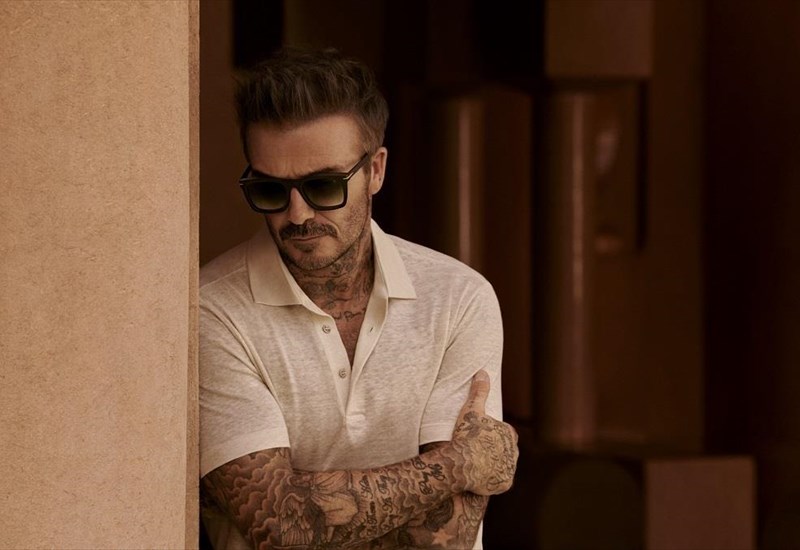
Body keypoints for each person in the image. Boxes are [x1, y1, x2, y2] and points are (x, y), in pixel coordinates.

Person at [199, 47, 518, 549]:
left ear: (376, 171)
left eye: (324, 185)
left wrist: (311, 507)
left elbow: (446, 537)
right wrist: (460, 463)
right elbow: (280, 526)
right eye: (270, 190)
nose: (297, 214)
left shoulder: (458, 298)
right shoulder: (211, 310)